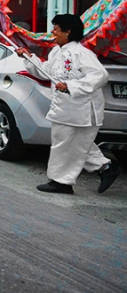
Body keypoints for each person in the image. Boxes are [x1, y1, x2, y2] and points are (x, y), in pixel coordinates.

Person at [16, 14, 121, 194]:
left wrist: (71, 86)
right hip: (65, 107)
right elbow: (45, 72)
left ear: (68, 32)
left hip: (82, 109)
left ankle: (61, 182)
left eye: (56, 29)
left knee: (66, 145)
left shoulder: (81, 53)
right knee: (76, 145)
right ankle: (106, 168)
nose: (52, 33)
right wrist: (28, 57)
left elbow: (100, 76)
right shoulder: (57, 52)